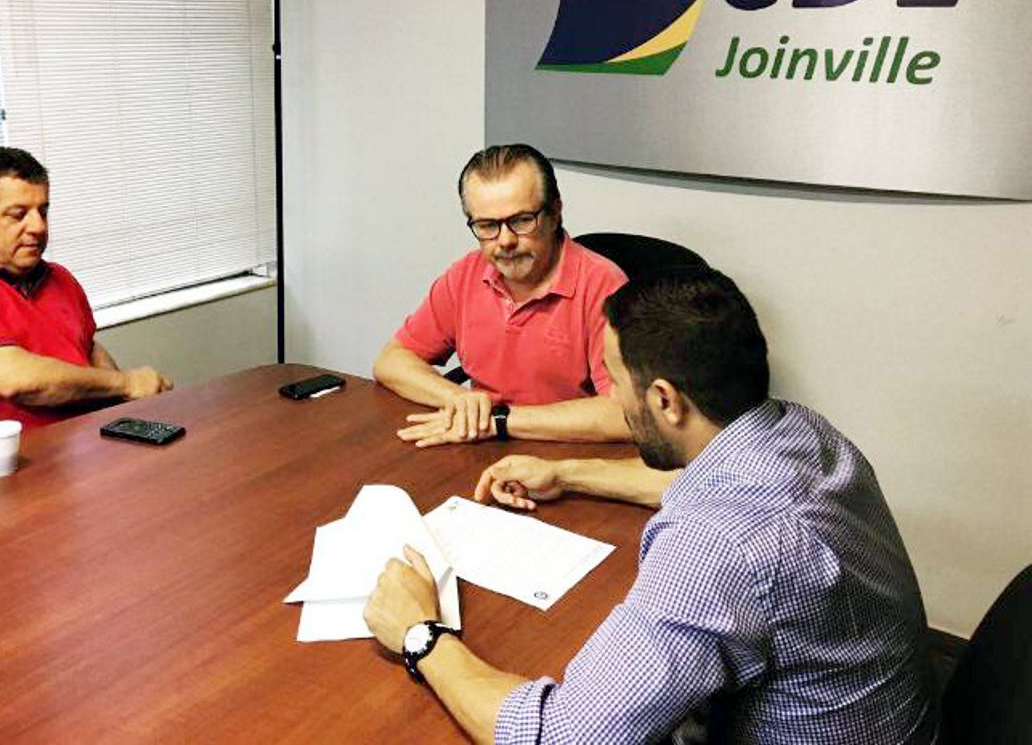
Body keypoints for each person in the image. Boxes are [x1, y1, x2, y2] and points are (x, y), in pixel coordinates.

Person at [364, 269, 934, 744]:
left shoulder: (716, 549)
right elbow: (709, 490)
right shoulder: (803, 432)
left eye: (615, 383)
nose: (613, 398)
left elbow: (559, 737)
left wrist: (421, 634)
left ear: (664, 399)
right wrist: (568, 473)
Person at [0, 147, 172, 457]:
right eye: (18, 215)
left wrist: (126, 404)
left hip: (76, 457)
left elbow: (88, 352)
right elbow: (18, 381)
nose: (38, 226)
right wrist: (126, 383)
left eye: (43, 211)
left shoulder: (60, 279)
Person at [374, 144, 631, 447]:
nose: (505, 241)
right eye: (487, 225)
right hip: (483, 449)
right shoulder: (466, 274)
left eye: (521, 221)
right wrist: (458, 399)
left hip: (568, 454)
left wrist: (499, 420)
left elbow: (625, 414)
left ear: (554, 213)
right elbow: (391, 360)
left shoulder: (604, 286)